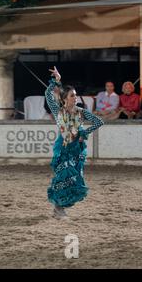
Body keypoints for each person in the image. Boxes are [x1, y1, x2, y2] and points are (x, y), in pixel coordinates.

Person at [45, 66, 104, 219]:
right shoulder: (58, 110)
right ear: (65, 98)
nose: (75, 98)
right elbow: (48, 94)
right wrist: (55, 82)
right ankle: (59, 209)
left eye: (76, 95)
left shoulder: (81, 111)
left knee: (74, 178)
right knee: (62, 177)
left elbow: (99, 122)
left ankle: (60, 208)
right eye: (72, 95)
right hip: (63, 148)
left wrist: (84, 132)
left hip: (77, 149)